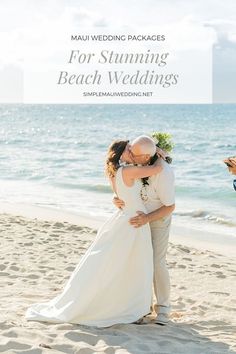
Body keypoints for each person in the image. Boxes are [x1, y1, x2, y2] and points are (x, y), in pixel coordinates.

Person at [25, 138, 163, 327]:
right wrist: (160, 153)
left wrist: (116, 197)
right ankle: (132, 307)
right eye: (129, 149)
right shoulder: (129, 170)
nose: (132, 152)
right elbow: (157, 169)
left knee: (124, 265)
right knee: (135, 265)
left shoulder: (115, 171)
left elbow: (122, 193)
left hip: (125, 219)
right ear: (121, 153)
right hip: (133, 222)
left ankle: (132, 306)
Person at [113, 135, 175, 325]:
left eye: (133, 153)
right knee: (139, 261)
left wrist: (147, 218)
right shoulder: (138, 160)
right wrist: (117, 199)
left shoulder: (163, 172)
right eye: (130, 150)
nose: (129, 154)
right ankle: (141, 307)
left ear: (147, 158)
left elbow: (169, 206)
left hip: (157, 218)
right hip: (137, 218)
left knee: (157, 262)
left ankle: (163, 309)